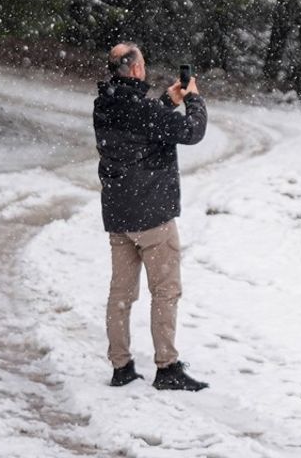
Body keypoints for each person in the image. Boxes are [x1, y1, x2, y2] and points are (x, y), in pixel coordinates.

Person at [93, 42, 209, 391]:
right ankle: (167, 366)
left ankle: (121, 366)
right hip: (152, 217)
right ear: (137, 70)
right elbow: (192, 132)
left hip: (118, 215)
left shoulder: (103, 105)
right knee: (166, 291)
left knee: (121, 293)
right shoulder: (142, 113)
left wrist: (166, 102)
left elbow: (141, 126)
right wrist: (193, 99)